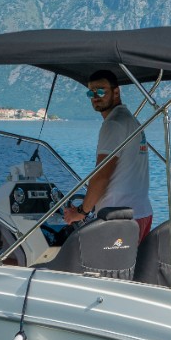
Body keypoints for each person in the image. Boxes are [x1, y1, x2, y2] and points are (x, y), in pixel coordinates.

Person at [63, 69, 153, 240]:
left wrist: (82, 212)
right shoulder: (131, 120)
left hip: (118, 217)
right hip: (141, 212)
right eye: (91, 92)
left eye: (101, 90)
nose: (96, 96)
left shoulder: (113, 124)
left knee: (107, 267)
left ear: (116, 92)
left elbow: (102, 176)